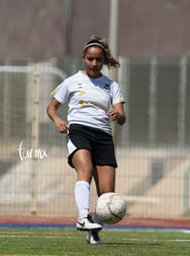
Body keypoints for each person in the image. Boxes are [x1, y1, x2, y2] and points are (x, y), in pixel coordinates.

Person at [46, 35, 126, 245]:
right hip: (79, 131)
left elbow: (122, 116)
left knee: (107, 194)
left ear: (103, 60)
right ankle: (83, 217)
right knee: (85, 170)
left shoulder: (111, 85)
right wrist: (57, 120)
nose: (94, 63)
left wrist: (118, 115)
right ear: (83, 58)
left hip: (104, 137)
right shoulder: (72, 81)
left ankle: (94, 231)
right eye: (90, 59)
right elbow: (51, 108)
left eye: (98, 59)